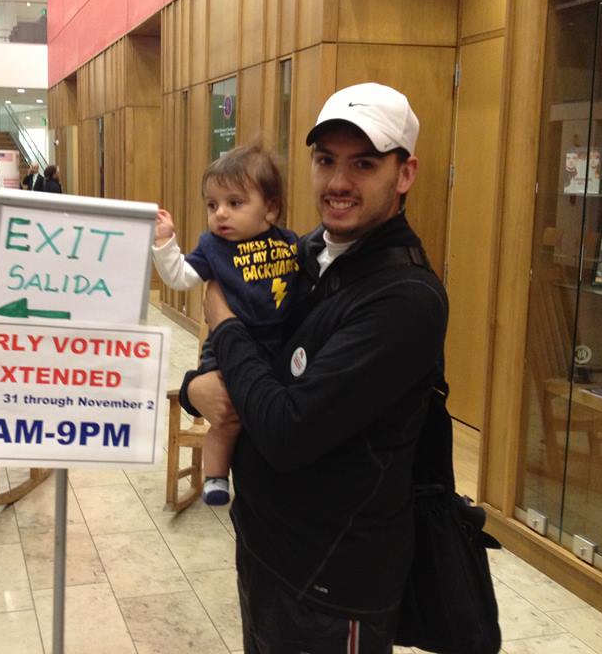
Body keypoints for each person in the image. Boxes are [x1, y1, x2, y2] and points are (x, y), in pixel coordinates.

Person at [183, 83, 448, 653]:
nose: (338, 182)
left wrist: (222, 321)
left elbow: (286, 429)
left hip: (335, 583)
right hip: (266, 549)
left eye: (364, 164)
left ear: (405, 174)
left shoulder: (403, 298)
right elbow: (251, 369)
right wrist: (192, 389)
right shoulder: (298, 255)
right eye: (326, 160)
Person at [153, 143, 299, 505]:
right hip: (226, 350)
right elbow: (180, 277)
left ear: (271, 210)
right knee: (227, 419)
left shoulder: (290, 244)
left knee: (268, 412)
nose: (221, 214)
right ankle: (216, 477)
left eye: (235, 203)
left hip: (276, 347)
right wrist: (165, 243)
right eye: (212, 204)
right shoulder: (213, 247)